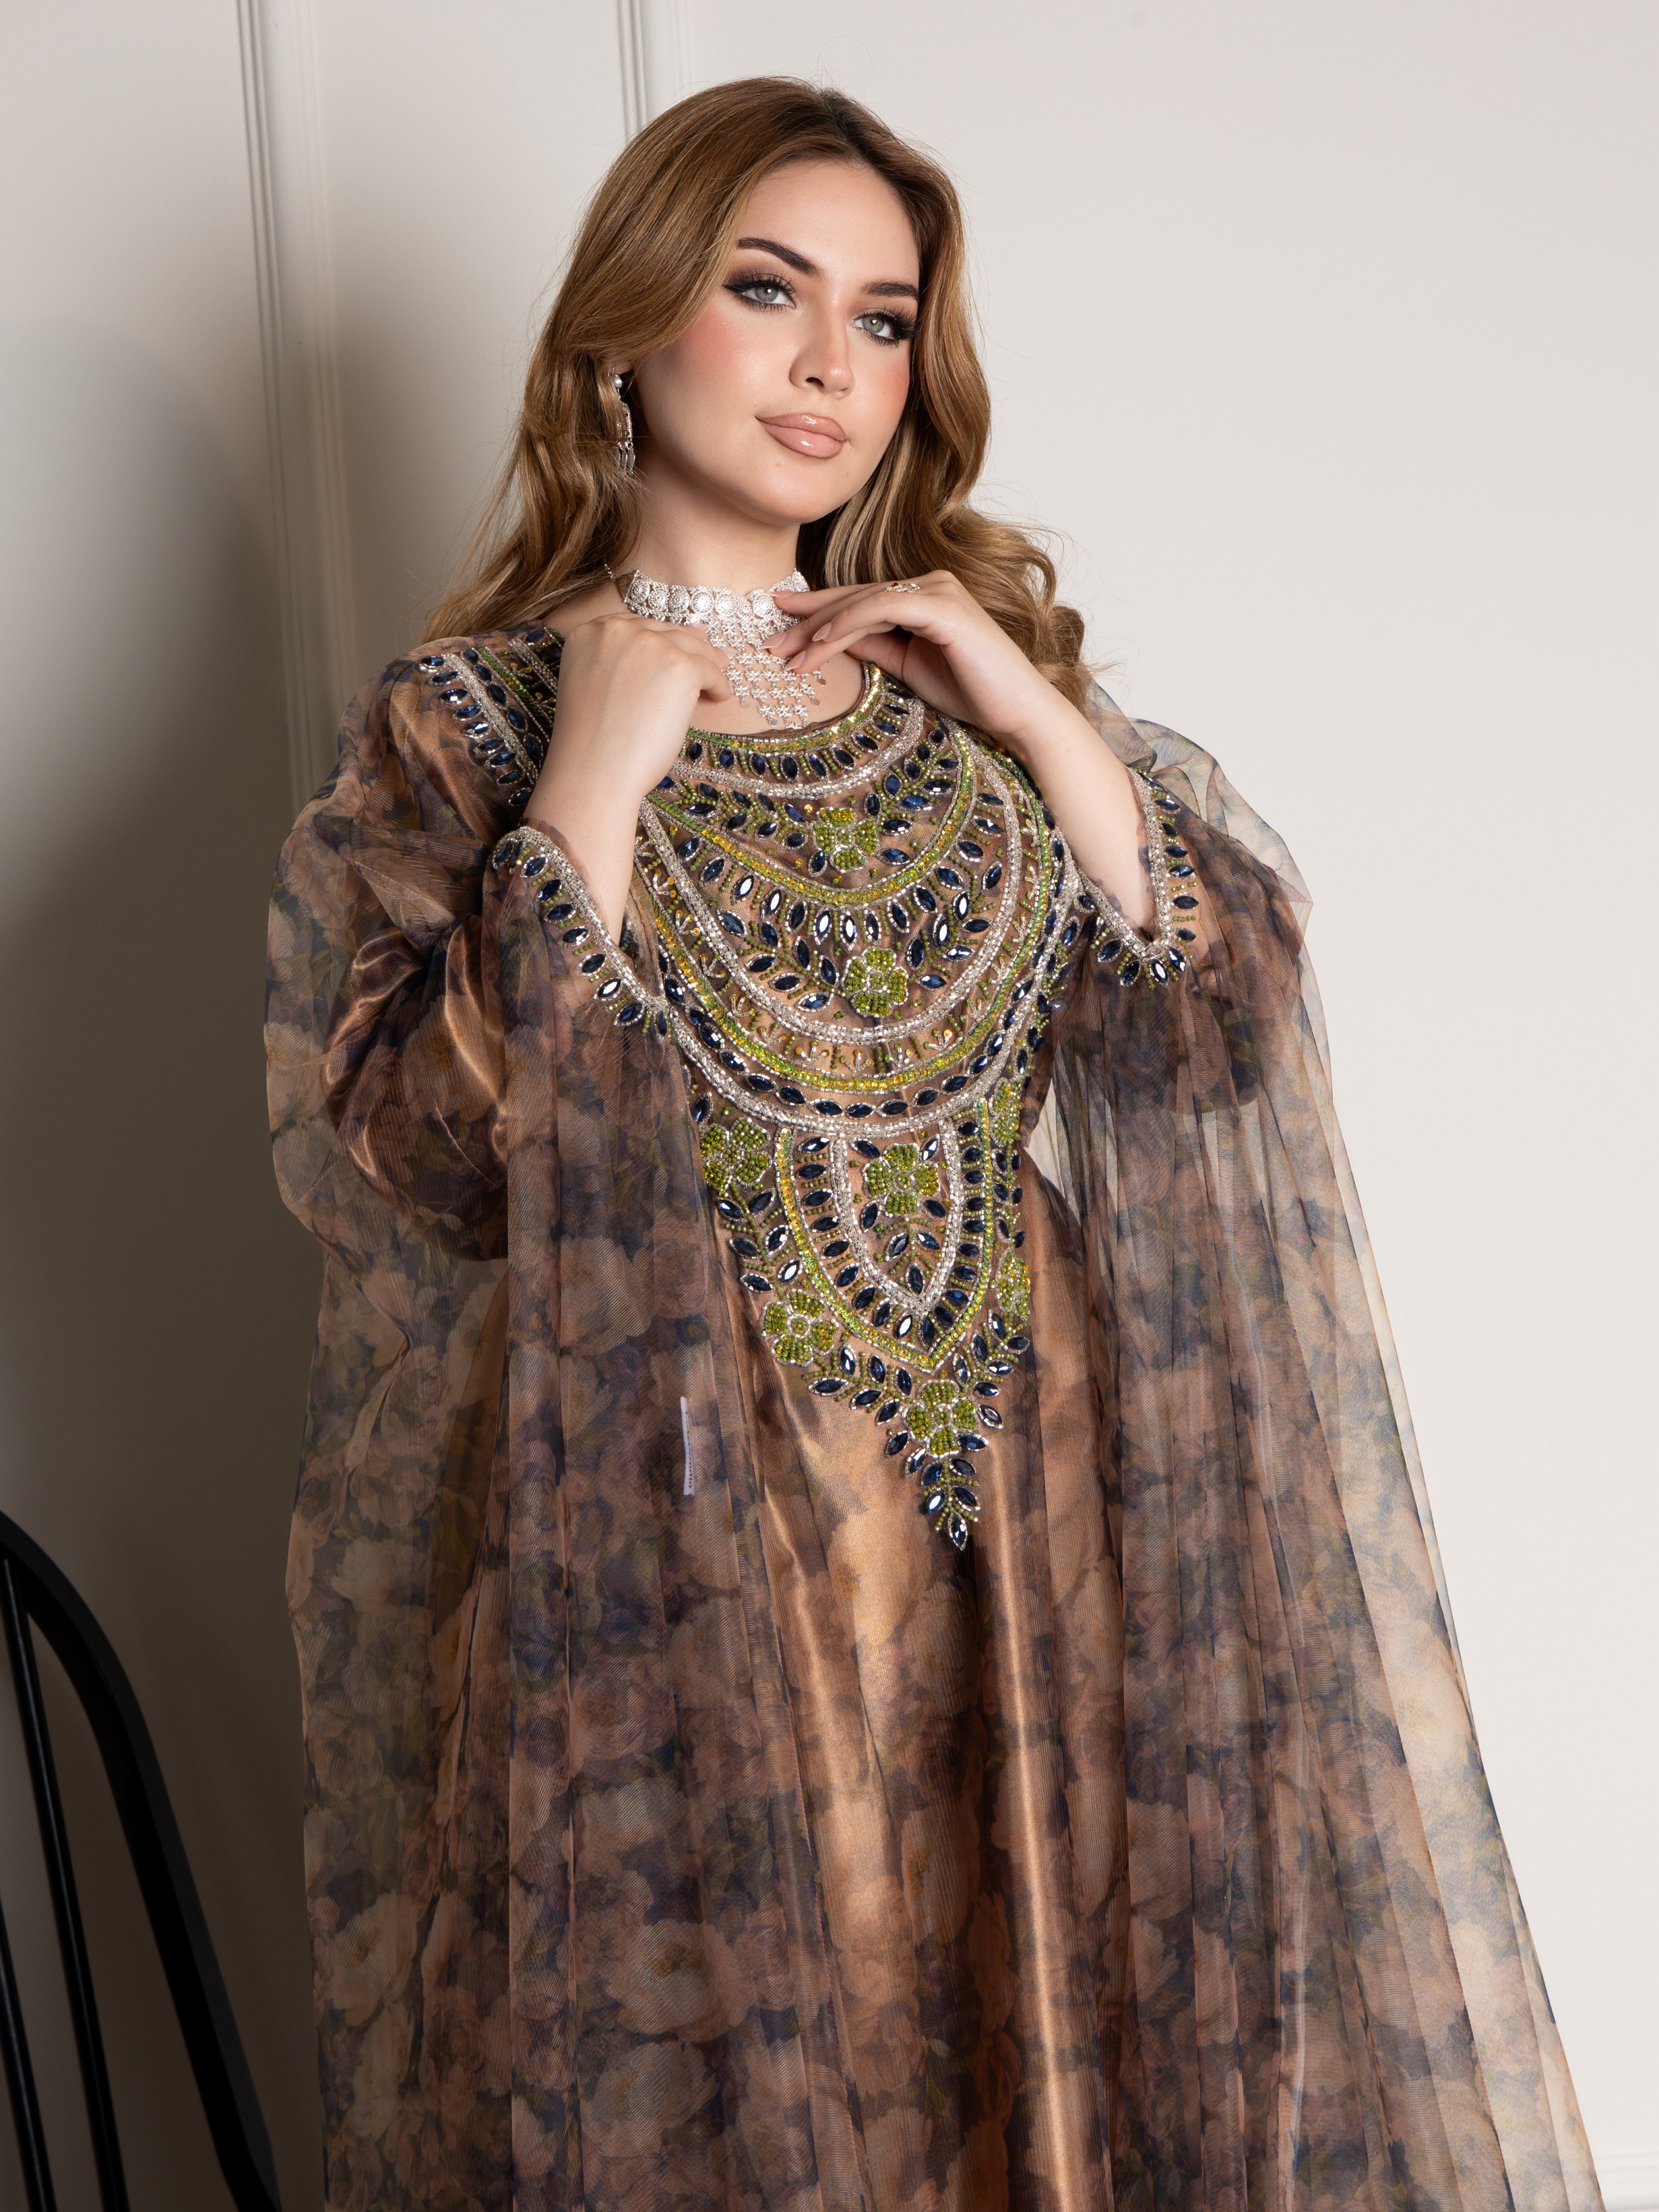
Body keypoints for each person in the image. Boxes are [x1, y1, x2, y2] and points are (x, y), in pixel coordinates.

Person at [266, 75, 1601, 2212]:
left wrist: (1039, 711)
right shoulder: (478, 722)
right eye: (766, 291)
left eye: (882, 321)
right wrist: (590, 792)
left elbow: (1218, 1045)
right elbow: (423, 1153)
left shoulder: (964, 703)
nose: (829, 364)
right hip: (692, 1544)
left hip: (1049, 1533)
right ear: (625, 330)